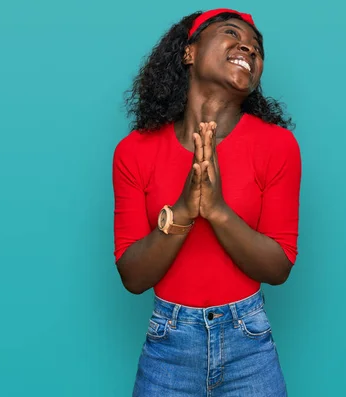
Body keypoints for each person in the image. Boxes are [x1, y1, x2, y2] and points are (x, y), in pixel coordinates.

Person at [113, 8, 301, 396]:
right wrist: (183, 211)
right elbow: (133, 276)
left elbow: (278, 265)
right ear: (189, 53)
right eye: (232, 33)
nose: (248, 47)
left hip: (248, 344)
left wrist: (216, 211)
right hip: (168, 346)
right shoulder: (134, 152)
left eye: (257, 48)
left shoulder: (278, 146)